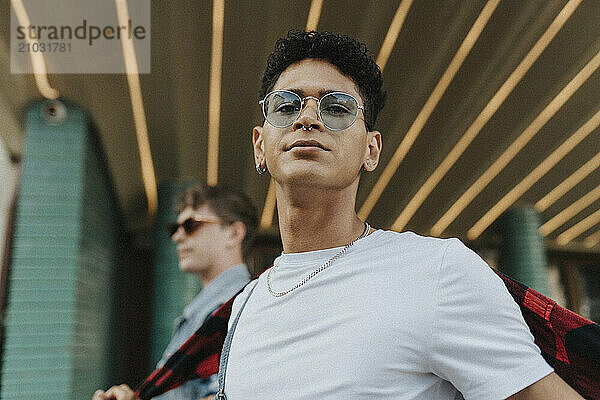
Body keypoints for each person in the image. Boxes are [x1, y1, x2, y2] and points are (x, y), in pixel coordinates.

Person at [96, 31, 585, 400]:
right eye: (287, 105)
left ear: (371, 150)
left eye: (337, 108)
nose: (308, 117)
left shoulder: (436, 271)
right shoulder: (243, 308)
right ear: (260, 145)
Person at [93, 184, 257, 400]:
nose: (177, 237)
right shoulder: (211, 308)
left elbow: (228, 396)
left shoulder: (238, 307)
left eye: (191, 225)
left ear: (234, 233)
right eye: (174, 228)